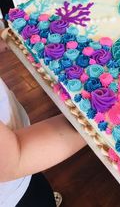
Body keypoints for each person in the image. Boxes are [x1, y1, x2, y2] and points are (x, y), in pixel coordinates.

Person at [0, 72, 87, 206]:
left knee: (35, 182)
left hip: (20, 170)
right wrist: (97, 120)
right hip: (11, 194)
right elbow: (12, 161)